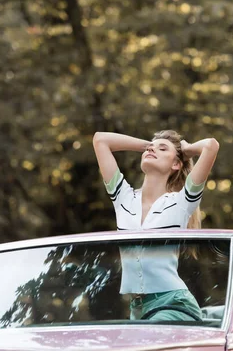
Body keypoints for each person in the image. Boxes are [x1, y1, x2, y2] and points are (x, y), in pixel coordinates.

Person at [92, 130, 220, 322]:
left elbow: (211, 146)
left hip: (174, 303)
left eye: (162, 149)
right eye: (151, 147)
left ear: (176, 164)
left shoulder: (181, 203)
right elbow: (100, 140)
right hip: (138, 309)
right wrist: (149, 146)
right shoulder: (123, 199)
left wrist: (186, 149)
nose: (153, 149)